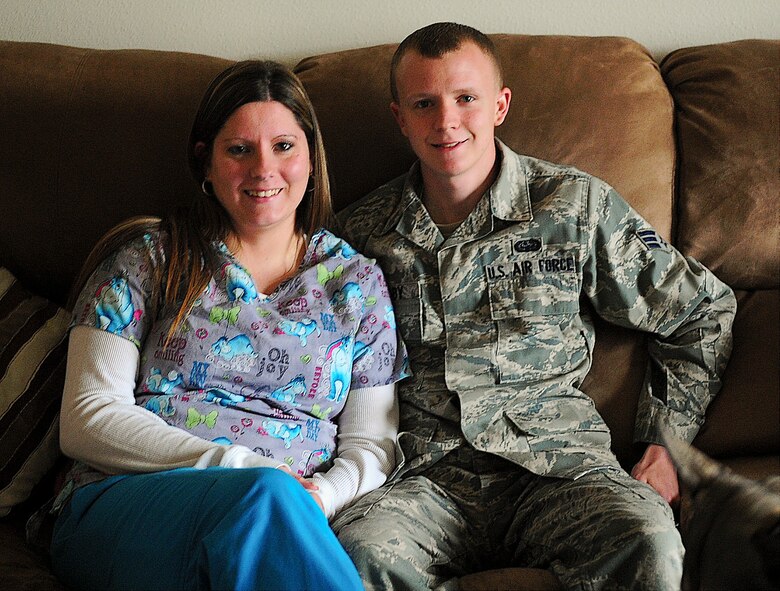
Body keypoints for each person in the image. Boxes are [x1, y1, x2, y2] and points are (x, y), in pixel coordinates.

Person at [335, 22, 737, 590]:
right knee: (352, 554)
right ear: (400, 116)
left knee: (646, 540)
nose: (446, 121)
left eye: (466, 98)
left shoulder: (573, 207)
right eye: (425, 103)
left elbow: (702, 311)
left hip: (559, 469)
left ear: (500, 105)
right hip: (423, 479)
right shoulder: (360, 236)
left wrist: (665, 447)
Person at [47, 60, 409, 591]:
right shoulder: (149, 259)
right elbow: (87, 417)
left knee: (268, 518)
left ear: (311, 158)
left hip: (290, 515)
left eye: (284, 146)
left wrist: (323, 496)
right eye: (239, 149)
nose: (264, 168)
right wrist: (236, 465)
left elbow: (372, 445)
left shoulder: (357, 285)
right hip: (126, 503)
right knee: (264, 501)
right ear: (206, 164)